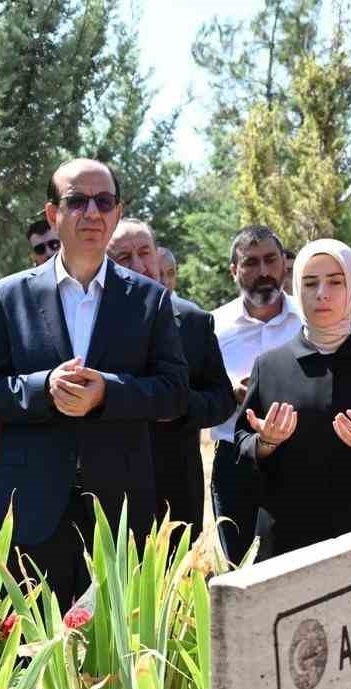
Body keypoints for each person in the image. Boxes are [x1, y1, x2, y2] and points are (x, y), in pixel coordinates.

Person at [0, 157, 188, 607]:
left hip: (120, 513)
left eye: (103, 202)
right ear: (53, 214)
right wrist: (44, 387)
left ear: (117, 213)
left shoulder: (150, 300)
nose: (92, 213)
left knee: (116, 658)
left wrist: (108, 391)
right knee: (31, 655)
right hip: (31, 512)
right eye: (77, 201)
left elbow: (175, 392)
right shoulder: (9, 296)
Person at [235, 240, 351, 556]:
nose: (322, 293)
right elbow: (242, 443)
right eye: (310, 283)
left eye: (335, 282)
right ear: (296, 288)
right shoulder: (270, 366)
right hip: (285, 544)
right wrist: (266, 442)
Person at [106, 217, 235, 541]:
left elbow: (221, 399)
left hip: (176, 492)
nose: (139, 266)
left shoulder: (193, 321)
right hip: (107, 494)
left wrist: (178, 404)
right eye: (123, 257)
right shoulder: (88, 321)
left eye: (144, 252)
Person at [211, 226, 303, 563]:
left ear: (284, 265)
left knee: (301, 564)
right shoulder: (212, 327)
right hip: (236, 463)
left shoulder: (309, 322)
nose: (263, 272)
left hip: (300, 457)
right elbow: (197, 394)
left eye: (270, 260)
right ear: (234, 270)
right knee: (241, 571)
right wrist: (230, 394)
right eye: (250, 263)